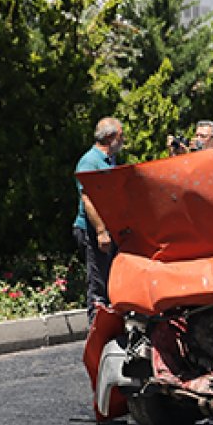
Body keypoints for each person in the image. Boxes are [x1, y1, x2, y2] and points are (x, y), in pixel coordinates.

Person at [73, 117, 124, 313]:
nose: (123, 140)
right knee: (98, 285)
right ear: (111, 137)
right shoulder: (90, 162)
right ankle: (97, 330)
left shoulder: (108, 160)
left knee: (110, 281)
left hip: (109, 230)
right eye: (121, 135)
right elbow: (88, 199)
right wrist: (101, 231)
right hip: (92, 231)